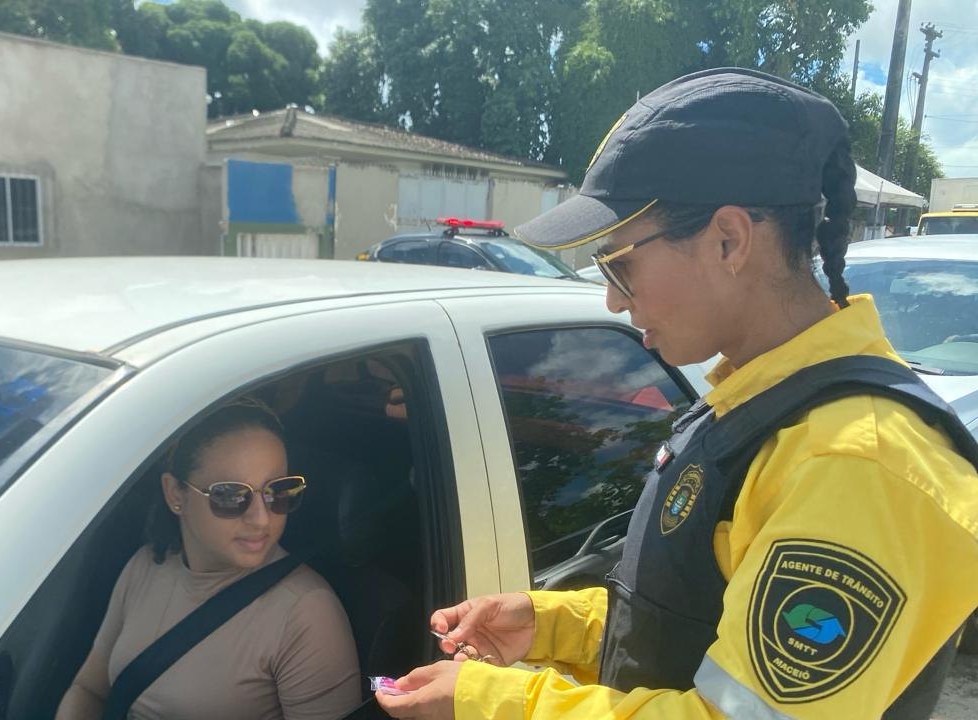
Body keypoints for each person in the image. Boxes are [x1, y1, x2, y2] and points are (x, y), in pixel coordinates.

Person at [376, 68, 978, 719]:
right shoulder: (764, 403)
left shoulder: (856, 467)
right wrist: (552, 625)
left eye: (620, 264)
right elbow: (700, 620)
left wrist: (486, 701)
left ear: (729, 240)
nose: (612, 300)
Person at [57, 398, 360, 720]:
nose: (261, 519)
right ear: (176, 494)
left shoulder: (305, 612)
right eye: (231, 496)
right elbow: (89, 689)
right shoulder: (146, 566)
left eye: (278, 491)